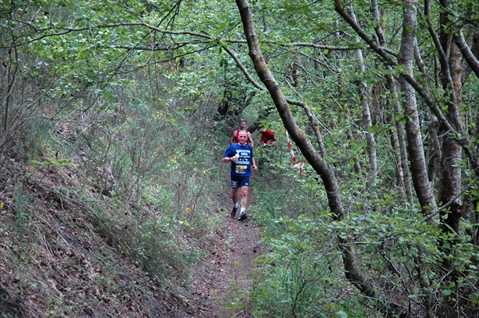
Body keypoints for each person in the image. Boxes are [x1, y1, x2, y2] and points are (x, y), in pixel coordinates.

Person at [222, 130, 258, 221]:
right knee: (234, 194)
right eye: (241, 137)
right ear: (238, 137)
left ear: (247, 138)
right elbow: (223, 159)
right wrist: (231, 158)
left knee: (244, 193)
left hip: (245, 174)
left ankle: (242, 212)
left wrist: (254, 164)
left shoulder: (249, 148)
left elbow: (251, 157)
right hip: (235, 174)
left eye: (244, 137)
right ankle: (236, 205)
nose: (242, 138)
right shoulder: (233, 147)